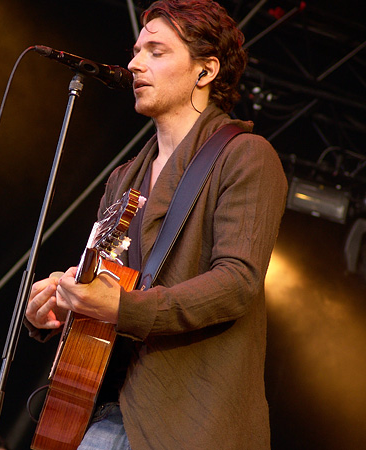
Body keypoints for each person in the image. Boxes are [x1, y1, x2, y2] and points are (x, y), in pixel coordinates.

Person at [25, 0, 288, 449]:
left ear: (205, 72)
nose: (134, 64)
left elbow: (237, 281)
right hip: (99, 410)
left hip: (185, 420)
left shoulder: (246, 156)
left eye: (156, 51)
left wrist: (120, 307)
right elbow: (108, 281)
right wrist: (64, 301)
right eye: (136, 50)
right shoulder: (124, 176)